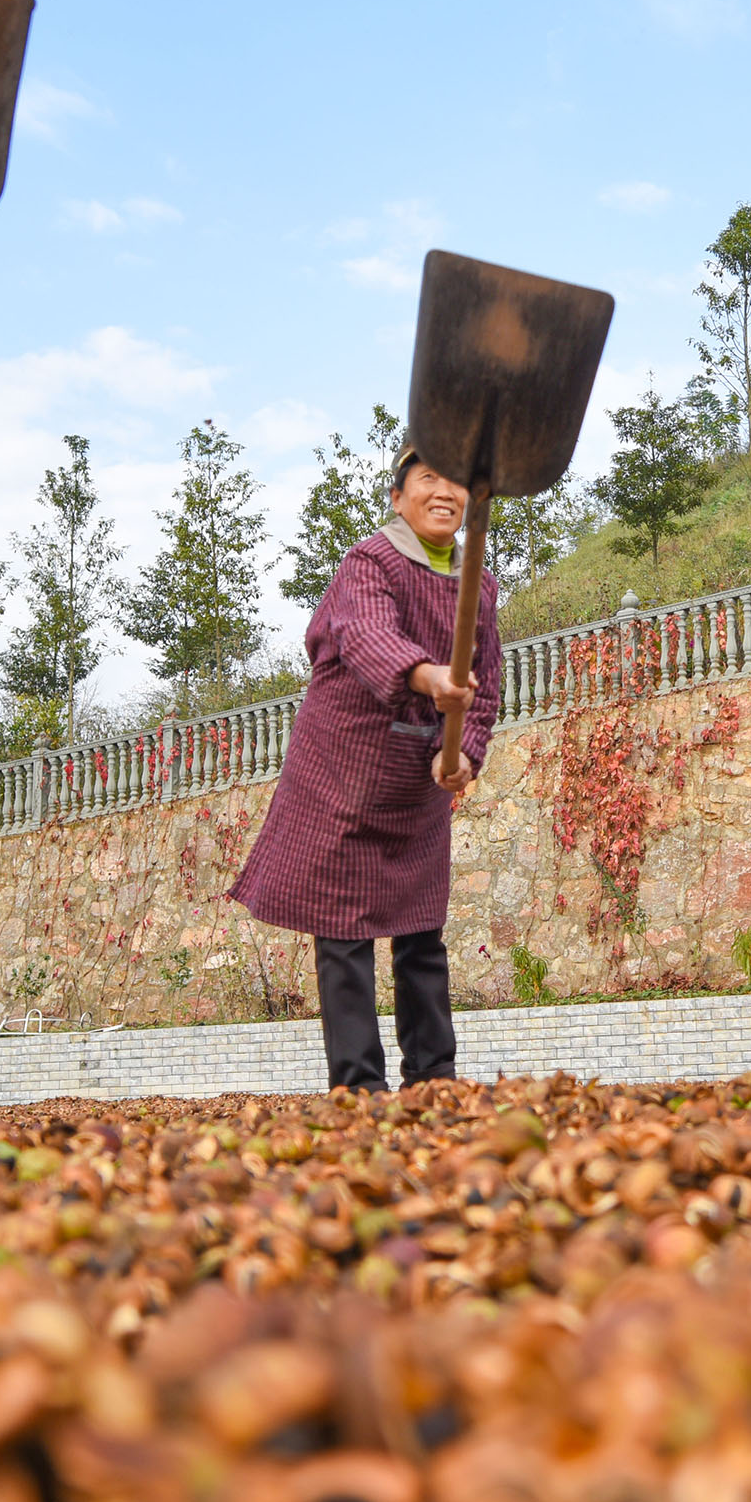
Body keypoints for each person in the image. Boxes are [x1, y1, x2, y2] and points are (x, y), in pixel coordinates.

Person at [230, 448, 501, 1090]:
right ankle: (357, 1086)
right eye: (427, 479)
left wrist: (463, 751)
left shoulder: (479, 585)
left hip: (417, 779)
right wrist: (430, 676)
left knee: (421, 932)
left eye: (455, 481)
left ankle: (433, 1076)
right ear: (398, 496)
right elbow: (366, 635)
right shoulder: (369, 562)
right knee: (343, 934)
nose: (444, 492)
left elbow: (484, 687)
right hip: (341, 773)